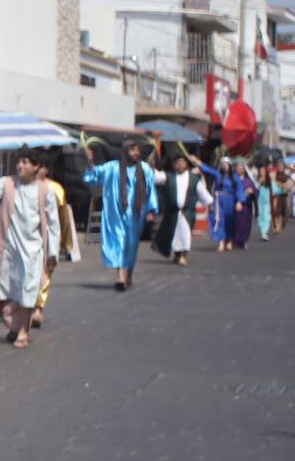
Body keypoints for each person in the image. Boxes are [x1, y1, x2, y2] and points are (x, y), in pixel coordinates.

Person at [0, 150, 57, 349]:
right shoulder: (6, 184)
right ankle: (15, 325)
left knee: (27, 290)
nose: (20, 165)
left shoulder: (44, 190)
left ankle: (23, 331)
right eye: (18, 161)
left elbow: (53, 223)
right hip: (7, 250)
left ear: (35, 166)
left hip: (32, 251)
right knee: (5, 289)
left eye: (25, 162)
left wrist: (52, 253)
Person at [83, 138, 157, 290]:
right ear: (125, 151)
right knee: (119, 242)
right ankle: (121, 278)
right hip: (116, 214)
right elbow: (95, 174)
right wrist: (90, 161)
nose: (136, 153)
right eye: (132, 150)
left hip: (136, 215)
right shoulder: (113, 168)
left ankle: (128, 276)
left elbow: (151, 190)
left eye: (137, 150)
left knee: (131, 245)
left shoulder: (144, 169)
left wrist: (151, 209)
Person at [30, 153, 76, 328]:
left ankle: (38, 308)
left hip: (48, 238)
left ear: (46, 169)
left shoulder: (55, 189)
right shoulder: (24, 187)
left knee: (45, 272)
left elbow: (63, 219)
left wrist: (64, 243)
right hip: (29, 239)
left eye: (41, 167)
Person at [151, 153, 210, 267]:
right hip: (173, 213)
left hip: (187, 213)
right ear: (173, 165)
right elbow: (155, 177)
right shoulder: (169, 177)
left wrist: (210, 204)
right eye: (177, 163)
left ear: (186, 164)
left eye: (182, 163)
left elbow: (202, 193)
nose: (180, 165)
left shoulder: (193, 179)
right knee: (174, 235)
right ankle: (177, 254)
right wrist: (152, 166)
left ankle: (183, 255)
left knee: (185, 233)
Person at [232, 160, 257, 249]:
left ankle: (242, 241)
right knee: (235, 224)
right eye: (238, 168)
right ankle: (234, 241)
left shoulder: (248, 180)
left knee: (245, 224)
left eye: (241, 168)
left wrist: (252, 191)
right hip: (234, 205)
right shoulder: (232, 179)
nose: (240, 169)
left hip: (246, 206)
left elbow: (255, 190)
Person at [255, 164, 273, 241]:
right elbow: (256, 187)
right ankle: (262, 230)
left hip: (267, 199)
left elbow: (272, 188)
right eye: (261, 170)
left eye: (263, 170)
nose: (262, 171)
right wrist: (260, 181)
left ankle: (264, 233)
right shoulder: (258, 178)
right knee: (261, 214)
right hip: (260, 198)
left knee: (266, 215)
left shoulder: (269, 179)